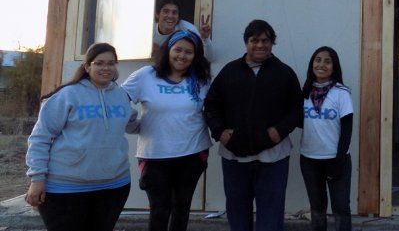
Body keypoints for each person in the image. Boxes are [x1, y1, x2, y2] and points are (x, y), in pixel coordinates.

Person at [25, 42, 136, 231]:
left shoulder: (120, 95)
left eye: (111, 63)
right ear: (87, 66)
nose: (105, 68)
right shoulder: (67, 95)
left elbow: (132, 123)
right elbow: (40, 137)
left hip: (113, 186)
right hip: (65, 188)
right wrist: (37, 179)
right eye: (99, 63)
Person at [204, 19, 303, 231]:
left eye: (265, 40)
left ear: (272, 43)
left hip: (274, 156)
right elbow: (211, 104)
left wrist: (279, 131)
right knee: (237, 211)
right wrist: (220, 132)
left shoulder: (284, 73)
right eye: (254, 40)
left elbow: (296, 109)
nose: (260, 45)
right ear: (246, 43)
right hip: (234, 156)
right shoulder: (230, 71)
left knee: (271, 212)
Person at [122, 30, 213, 231]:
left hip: (193, 153)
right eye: (178, 49)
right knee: (160, 209)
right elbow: (118, 100)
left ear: (195, 55)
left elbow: (214, 109)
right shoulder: (146, 75)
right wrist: (132, 124)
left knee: (181, 208)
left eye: (189, 52)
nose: (182, 55)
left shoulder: (202, 79)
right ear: (168, 50)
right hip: (155, 155)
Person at [299, 47, 353, 231]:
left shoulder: (341, 93)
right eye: (318, 60)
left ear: (334, 66)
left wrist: (338, 160)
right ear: (312, 64)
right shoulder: (305, 92)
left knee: (341, 207)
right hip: (309, 160)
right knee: (317, 208)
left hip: (336, 159)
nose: (321, 64)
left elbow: (347, 130)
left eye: (327, 61)